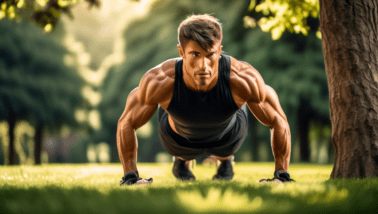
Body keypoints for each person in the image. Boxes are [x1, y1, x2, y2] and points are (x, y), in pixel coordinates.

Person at [117, 14, 294, 185]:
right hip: (179, 141)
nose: (203, 66)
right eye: (195, 54)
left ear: (219, 51)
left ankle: (225, 161)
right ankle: (182, 161)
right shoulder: (161, 80)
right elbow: (127, 121)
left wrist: (281, 175)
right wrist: (131, 176)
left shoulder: (242, 77)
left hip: (228, 138)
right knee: (166, 101)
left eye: (210, 55)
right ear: (181, 52)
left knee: (241, 97)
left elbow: (278, 119)